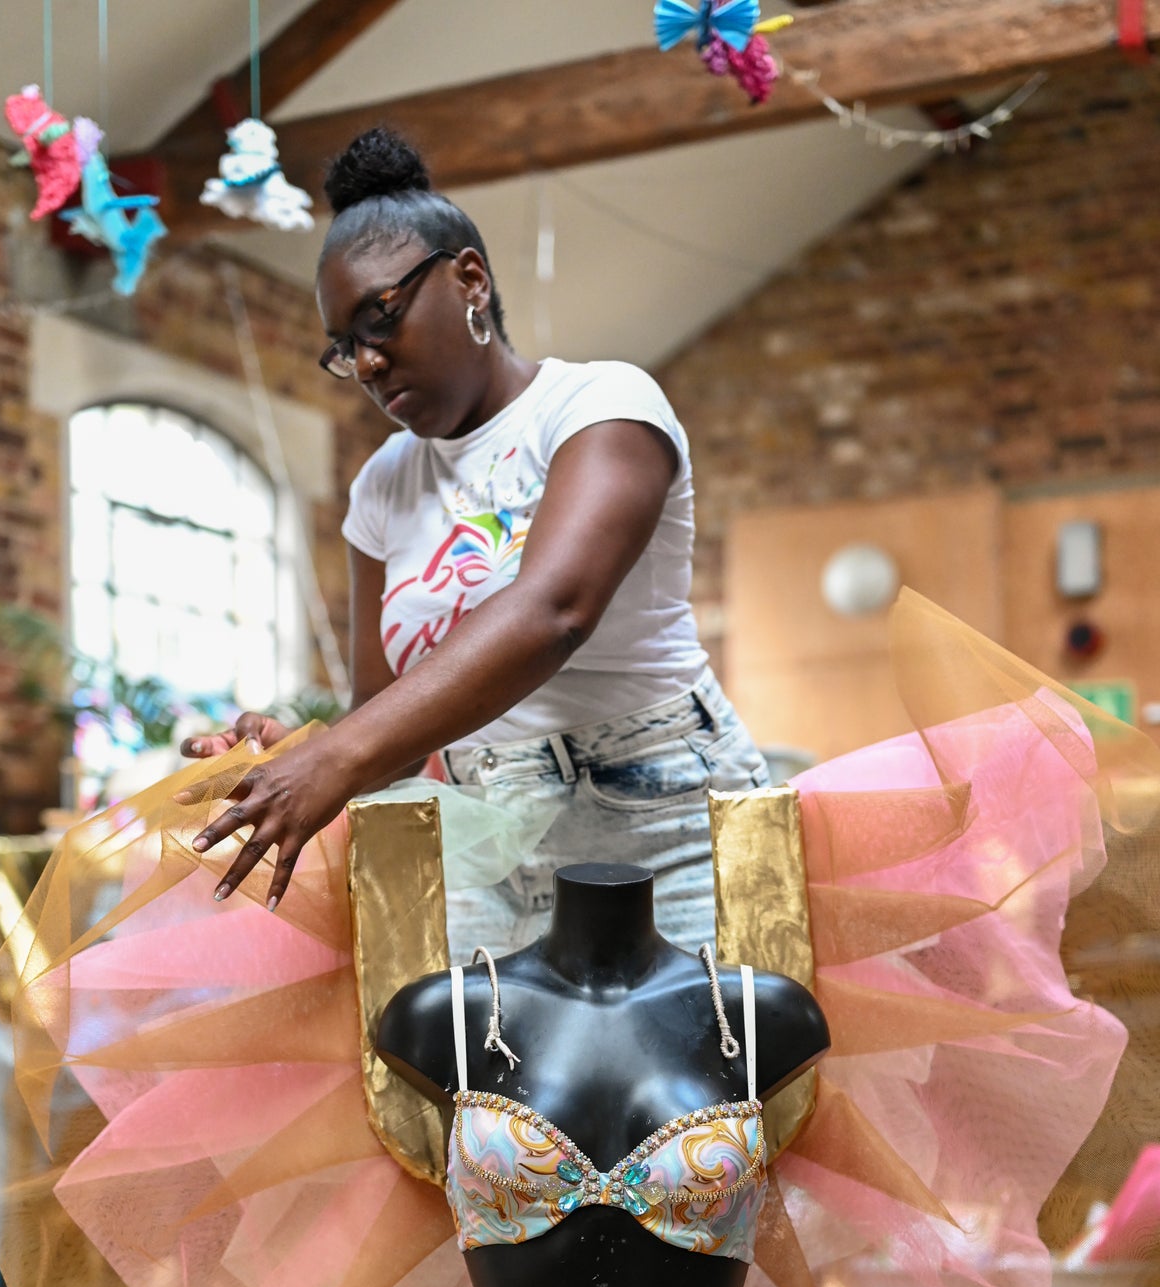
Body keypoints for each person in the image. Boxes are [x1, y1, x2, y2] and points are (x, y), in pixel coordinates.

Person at [181, 126, 767, 957]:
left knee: (700, 1082)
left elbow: (554, 610)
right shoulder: (382, 483)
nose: (371, 362)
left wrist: (339, 757)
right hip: (485, 848)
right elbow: (382, 722)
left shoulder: (601, 403)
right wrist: (299, 751)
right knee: (476, 1085)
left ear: (470, 280)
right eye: (346, 349)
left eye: (380, 318)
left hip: (664, 823)